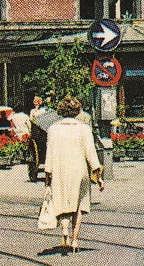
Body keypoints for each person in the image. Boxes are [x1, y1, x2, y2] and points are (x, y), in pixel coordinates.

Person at [43, 99, 103, 252]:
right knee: (78, 205)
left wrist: (48, 173)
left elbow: (49, 153)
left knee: (62, 201)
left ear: (61, 111)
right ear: (77, 111)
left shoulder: (53, 129)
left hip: (60, 170)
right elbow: (90, 152)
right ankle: (75, 240)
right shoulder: (83, 128)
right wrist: (97, 172)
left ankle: (64, 229)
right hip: (79, 169)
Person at [28, 96, 60, 183]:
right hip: (39, 132)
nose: (36, 103)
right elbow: (31, 120)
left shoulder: (44, 110)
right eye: (35, 102)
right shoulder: (33, 111)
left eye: (37, 101)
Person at [9, 103, 33, 178]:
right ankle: (26, 157)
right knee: (26, 145)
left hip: (17, 132)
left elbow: (8, 119)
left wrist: (12, 113)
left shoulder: (14, 116)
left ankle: (19, 157)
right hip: (24, 131)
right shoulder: (25, 116)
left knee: (18, 145)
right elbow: (29, 124)